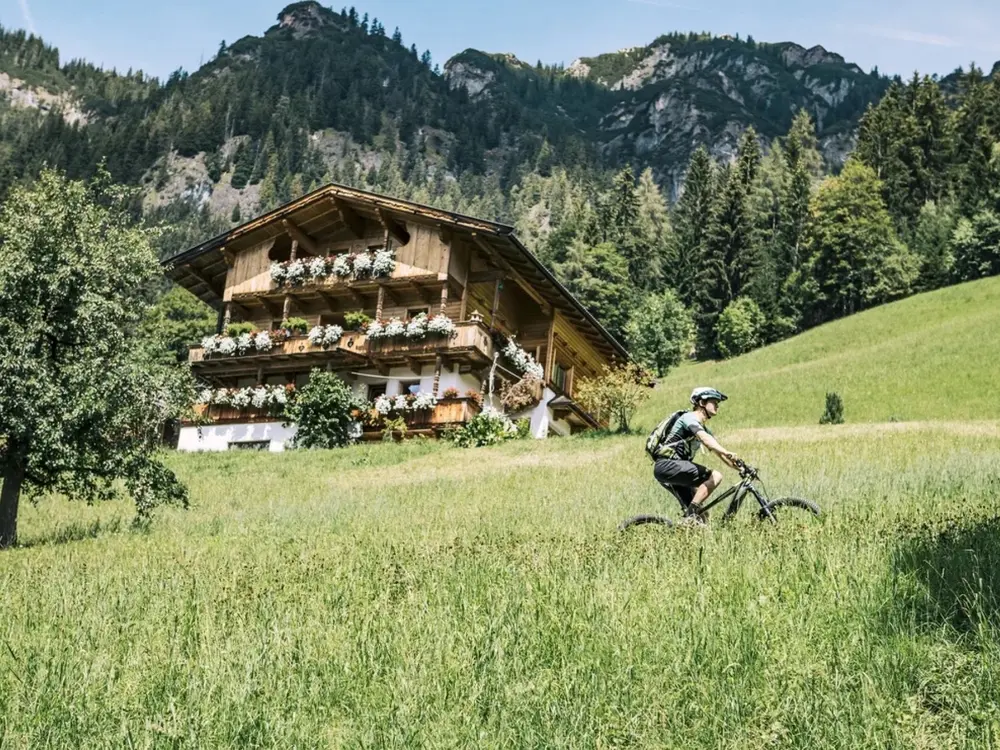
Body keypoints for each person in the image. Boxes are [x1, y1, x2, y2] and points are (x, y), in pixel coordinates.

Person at [648, 386, 740, 519]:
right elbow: (706, 440)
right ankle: (690, 516)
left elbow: (719, 453)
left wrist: (741, 468)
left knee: (702, 515)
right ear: (702, 403)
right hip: (668, 464)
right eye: (714, 402)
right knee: (715, 476)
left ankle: (687, 525)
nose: (717, 406)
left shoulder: (703, 428)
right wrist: (726, 451)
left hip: (674, 468)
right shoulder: (689, 418)